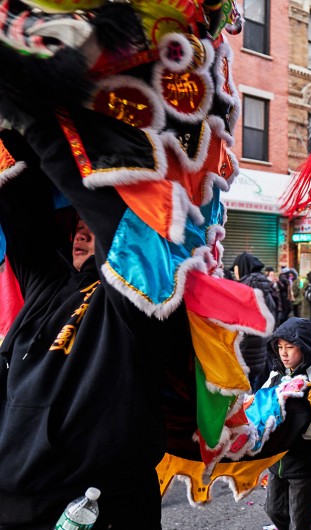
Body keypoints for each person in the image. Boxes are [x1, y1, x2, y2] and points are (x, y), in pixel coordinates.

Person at [0, 130, 195, 528]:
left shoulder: (139, 301)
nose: (83, 232)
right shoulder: (47, 284)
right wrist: (14, 126)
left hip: (93, 508)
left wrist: (50, 126)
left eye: (93, 227)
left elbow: (121, 227)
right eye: (77, 225)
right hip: (14, 503)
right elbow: (21, 209)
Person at [263, 318, 311, 530]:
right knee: (273, 509)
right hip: (278, 459)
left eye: (290, 347)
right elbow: (263, 399)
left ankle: (309, 524)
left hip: (305, 460)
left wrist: (294, 428)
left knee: (299, 517)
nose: (284, 353)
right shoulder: (276, 373)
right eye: (280, 347)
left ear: (304, 348)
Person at [232, 252, 280, 390]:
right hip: (260, 348)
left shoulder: (249, 287)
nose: (234, 272)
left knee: (247, 393)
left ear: (241, 267)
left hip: (247, 350)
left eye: (235, 267)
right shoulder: (262, 286)